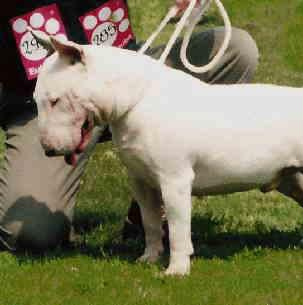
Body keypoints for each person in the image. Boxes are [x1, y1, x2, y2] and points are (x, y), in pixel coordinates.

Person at [0, 0, 259, 251]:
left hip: (127, 84)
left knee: (236, 51)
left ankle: (150, 209)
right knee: (30, 233)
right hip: (49, 103)